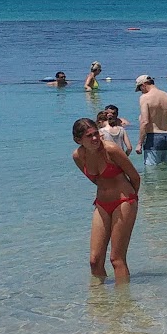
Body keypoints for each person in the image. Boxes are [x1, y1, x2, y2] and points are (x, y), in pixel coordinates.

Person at [71, 117, 141, 281]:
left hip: (124, 201)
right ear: (78, 140)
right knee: (94, 261)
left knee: (116, 259)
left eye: (96, 133)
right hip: (102, 204)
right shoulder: (78, 157)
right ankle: (100, 304)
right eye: (89, 136)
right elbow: (96, 180)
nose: (95, 138)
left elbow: (135, 177)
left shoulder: (111, 150)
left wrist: (131, 201)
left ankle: (123, 303)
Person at [136, 75, 167, 166]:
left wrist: (139, 144)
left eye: (140, 89)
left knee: (151, 172)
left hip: (153, 137)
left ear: (144, 85)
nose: (141, 92)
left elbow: (145, 121)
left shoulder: (145, 98)